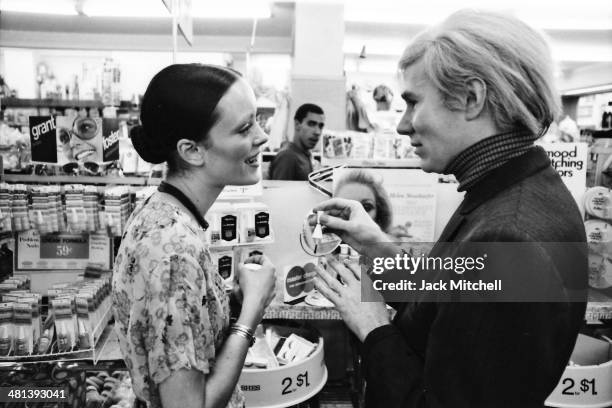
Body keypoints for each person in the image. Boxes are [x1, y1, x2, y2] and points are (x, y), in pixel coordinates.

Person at [311, 10, 587, 408]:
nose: (402, 126)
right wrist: (377, 247)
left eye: (413, 103)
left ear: (471, 99)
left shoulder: (508, 235)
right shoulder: (516, 189)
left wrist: (372, 325)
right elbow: (457, 296)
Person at [111, 64, 276, 408]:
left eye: (257, 120)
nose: (262, 136)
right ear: (191, 150)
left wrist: (231, 302)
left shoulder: (165, 213)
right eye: (245, 127)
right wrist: (251, 314)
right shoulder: (174, 253)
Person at [269, 103, 325, 180]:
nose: (317, 132)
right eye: (311, 124)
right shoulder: (287, 157)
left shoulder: (304, 155)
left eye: (320, 126)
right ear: (297, 124)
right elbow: (280, 191)